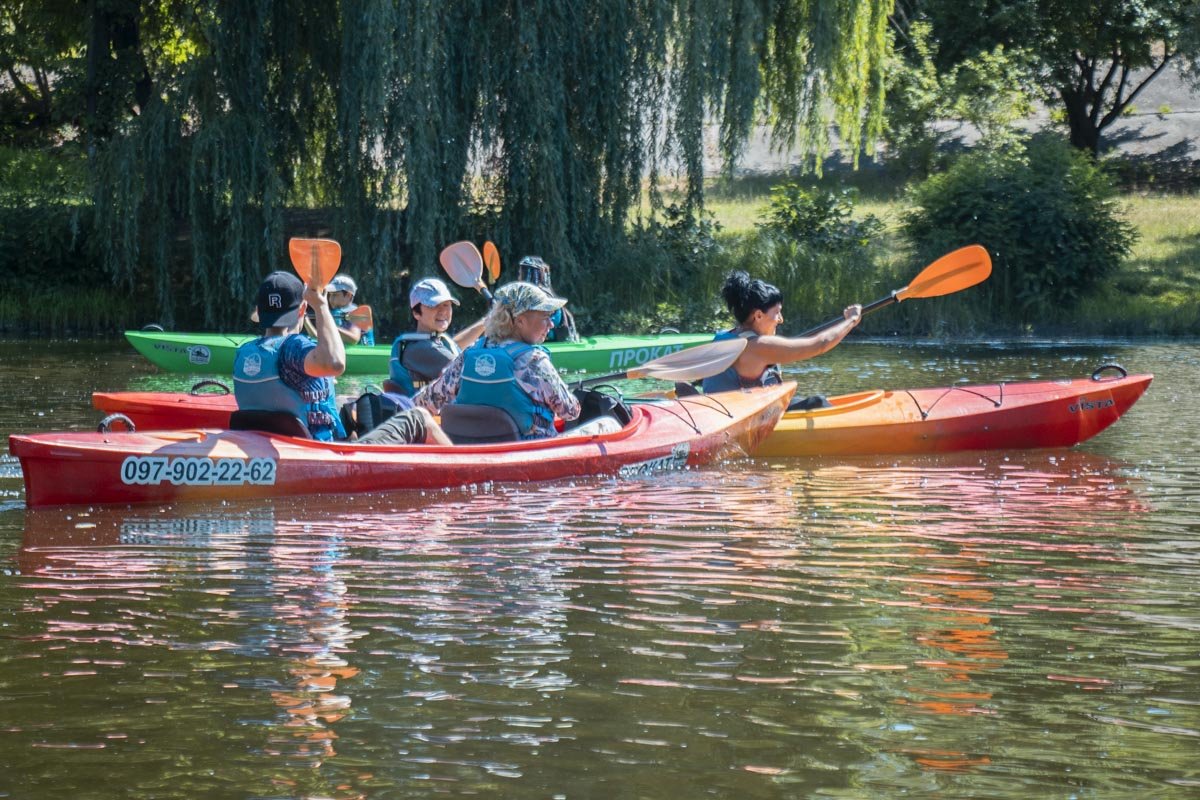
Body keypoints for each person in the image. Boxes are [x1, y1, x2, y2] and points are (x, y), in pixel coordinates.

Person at [234, 270, 449, 445]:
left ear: (260, 314)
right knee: (419, 416)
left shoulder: (244, 352)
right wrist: (320, 305)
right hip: (324, 451)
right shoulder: (294, 346)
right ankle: (466, 471)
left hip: (274, 441)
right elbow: (336, 363)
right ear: (301, 310)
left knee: (346, 402)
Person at [415, 282, 621, 439]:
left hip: (473, 451)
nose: (551, 324)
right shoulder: (533, 360)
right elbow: (570, 411)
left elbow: (425, 402)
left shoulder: (468, 355)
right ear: (520, 320)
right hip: (528, 451)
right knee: (608, 425)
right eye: (544, 316)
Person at [701, 271, 862, 406]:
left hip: (731, 412)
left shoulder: (723, 336)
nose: (781, 319)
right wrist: (851, 320)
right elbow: (821, 344)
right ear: (758, 315)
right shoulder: (758, 346)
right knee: (818, 402)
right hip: (742, 422)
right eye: (777, 312)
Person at [387, 277, 485, 396]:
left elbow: (454, 346)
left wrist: (487, 322)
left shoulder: (428, 342)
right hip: (421, 413)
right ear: (416, 313)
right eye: (433, 305)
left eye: (446, 305)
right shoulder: (421, 349)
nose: (443, 311)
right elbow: (475, 370)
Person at [517, 256, 579, 342]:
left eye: (521, 273)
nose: (519, 276)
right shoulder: (525, 295)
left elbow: (553, 322)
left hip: (553, 342)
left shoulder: (543, 297)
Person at [325, 275, 374, 346]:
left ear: (348, 295)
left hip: (362, 355)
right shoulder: (335, 312)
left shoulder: (359, 313)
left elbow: (353, 339)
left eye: (335, 295)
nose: (331, 299)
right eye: (330, 295)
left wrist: (329, 326)